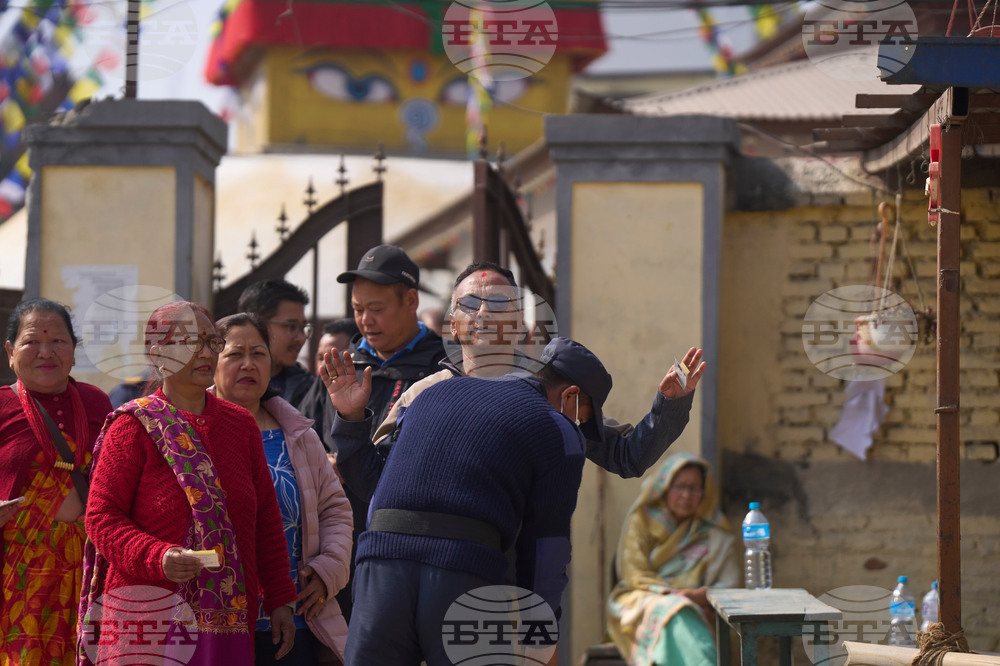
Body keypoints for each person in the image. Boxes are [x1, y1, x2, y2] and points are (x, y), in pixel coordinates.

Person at [327, 261, 707, 505]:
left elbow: (628, 456)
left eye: (497, 304)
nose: (482, 315)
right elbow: (375, 482)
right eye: (469, 305)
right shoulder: (423, 394)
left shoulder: (549, 393)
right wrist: (351, 418)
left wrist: (669, 405)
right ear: (452, 323)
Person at [341, 337, 612, 666]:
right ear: (570, 397)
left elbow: (383, 486)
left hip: (378, 562)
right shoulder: (556, 425)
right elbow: (545, 549)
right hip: (464, 572)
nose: (577, 427)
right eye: (581, 419)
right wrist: (539, 634)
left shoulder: (435, 392)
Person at [80, 301, 297, 664]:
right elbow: (101, 517)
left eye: (211, 342)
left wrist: (279, 599)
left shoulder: (240, 426)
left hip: (226, 620)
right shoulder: (133, 426)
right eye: (188, 342)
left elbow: (266, 522)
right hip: (147, 616)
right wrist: (157, 556)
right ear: (157, 353)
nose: (204, 353)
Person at [297, 243, 446, 621]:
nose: (365, 321)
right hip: (334, 544)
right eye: (358, 310)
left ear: (410, 301)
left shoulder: (441, 369)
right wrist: (321, 462)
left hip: (411, 544)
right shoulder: (342, 366)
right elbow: (301, 433)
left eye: (376, 309)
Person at [212, 313, 353, 665]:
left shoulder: (298, 434)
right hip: (215, 620)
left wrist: (327, 571)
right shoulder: (190, 430)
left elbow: (334, 508)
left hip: (295, 619)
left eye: (258, 353)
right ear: (209, 361)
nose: (248, 364)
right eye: (234, 354)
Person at [0, 298, 112, 664]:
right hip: (14, 573)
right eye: (32, 341)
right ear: (10, 352)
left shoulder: (98, 404)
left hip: (88, 572)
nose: (45, 352)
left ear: (74, 352)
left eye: (59, 342)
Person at [607, 453, 739, 666]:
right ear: (665, 487)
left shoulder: (715, 536)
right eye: (680, 487)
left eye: (695, 489)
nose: (686, 495)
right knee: (676, 609)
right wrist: (676, 596)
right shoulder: (642, 522)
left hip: (699, 608)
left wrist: (700, 596)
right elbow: (634, 574)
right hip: (641, 600)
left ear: (704, 494)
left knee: (682, 610)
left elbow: (731, 587)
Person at [238, 279, 313, 404]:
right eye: (291, 326)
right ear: (255, 324)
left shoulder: (310, 391)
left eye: (303, 327)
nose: (301, 338)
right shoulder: (213, 386)